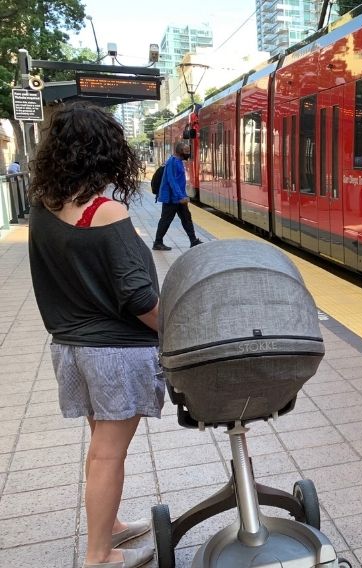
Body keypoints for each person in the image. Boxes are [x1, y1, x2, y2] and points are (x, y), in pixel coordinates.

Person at [27, 103, 160, 568]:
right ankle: (99, 555)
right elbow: (139, 297)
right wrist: (175, 328)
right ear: (106, 152)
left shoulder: (41, 204)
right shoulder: (104, 211)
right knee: (108, 453)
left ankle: (112, 525)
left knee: (101, 444)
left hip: (69, 348)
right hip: (115, 353)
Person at [152, 139, 202, 251]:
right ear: (180, 151)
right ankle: (157, 242)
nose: (188, 153)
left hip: (178, 198)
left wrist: (182, 196)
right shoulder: (172, 162)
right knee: (166, 220)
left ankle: (193, 240)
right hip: (171, 198)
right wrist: (180, 196)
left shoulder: (178, 161)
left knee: (186, 218)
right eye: (186, 151)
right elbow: (171, 180)